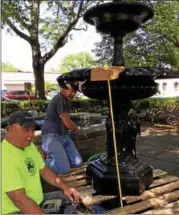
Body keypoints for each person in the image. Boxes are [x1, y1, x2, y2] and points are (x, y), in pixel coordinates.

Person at [2, 111, 80, 214]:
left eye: (33, 130)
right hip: (16, 211)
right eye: (26, 130)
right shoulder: (5, 158)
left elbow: (43, 169)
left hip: (38, 200)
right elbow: (20, 200)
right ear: (10, 129)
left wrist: (65, 187)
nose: (31, 135)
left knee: (72, 198)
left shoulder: (28, 146)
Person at [41, 81, 83, 174]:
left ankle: (60, 161)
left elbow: (66, 119)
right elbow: (68, 124)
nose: (72, 93)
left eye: (75, 92)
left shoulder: (62, 100)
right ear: (63, 88)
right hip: (51, 136)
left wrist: (74, 126)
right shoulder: (61, 100)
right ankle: (38, 163)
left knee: (77, 163)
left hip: (63, 136)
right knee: (63, 169)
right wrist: (76, 129)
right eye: (71, 90)